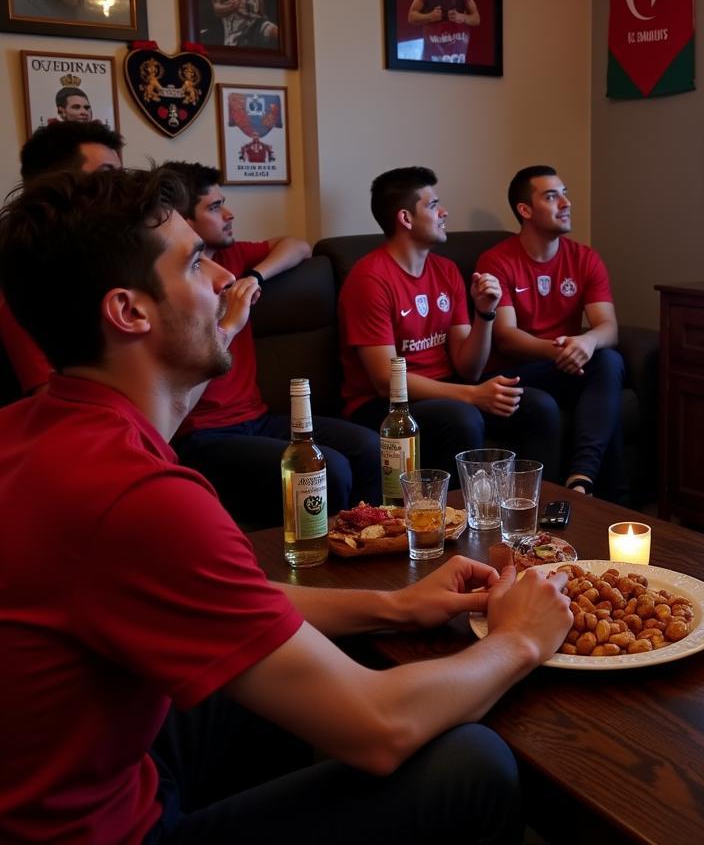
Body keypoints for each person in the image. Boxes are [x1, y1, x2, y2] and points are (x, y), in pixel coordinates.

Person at [0, 166, 573, 845]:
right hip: (103, 830)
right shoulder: (137, 496)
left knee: (296, 667)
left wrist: (401, 604)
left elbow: (238, 608)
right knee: (472, 763)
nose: (223, 282)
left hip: (111, 770)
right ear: (130, 311)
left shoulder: (39, 425)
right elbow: (379, 730)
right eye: (195, 262)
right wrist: (521, 640)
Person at [161, 163, 379, 527]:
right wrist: (228, 321)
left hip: (257, 419)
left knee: (370, 447)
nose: (229, 214)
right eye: (214, 208)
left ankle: (374, 541)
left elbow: (297, 245)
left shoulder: (230, 259)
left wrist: (255, 275)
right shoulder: (174, 285)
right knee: (330, 468)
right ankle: (325, 565)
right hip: (203, 434)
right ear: (183, 221)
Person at [338, 166, 561, 480]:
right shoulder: (370, 279)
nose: (444, 212)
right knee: (461, 417)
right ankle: (457, 524)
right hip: (382, 406)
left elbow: (468, 368)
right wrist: (472, 395)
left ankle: (536, 514)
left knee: (537, 406)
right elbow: (385, 381)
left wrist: (485, 313)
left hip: (445, 390)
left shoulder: (446, 271)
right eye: (432, 206)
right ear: (405, 218)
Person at [476, 166, 626, 500]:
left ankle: (581, 480)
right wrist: (560, 351)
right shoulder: (497, 261)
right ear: (525, 210)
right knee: (599, 389)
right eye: (551, 196)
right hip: (515, 372)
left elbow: (608, 327)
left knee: (608, 361)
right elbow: (506, 336)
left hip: (563, 365)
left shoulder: (584, 258)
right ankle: (611, 497)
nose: (566, 203)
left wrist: (585, 342)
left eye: (565, 193)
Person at [0, 120, 124, 396]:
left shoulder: (98, 256)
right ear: (56, 184)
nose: (121, 188)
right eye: (107, 176)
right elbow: (53, 402)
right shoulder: (26, 274)